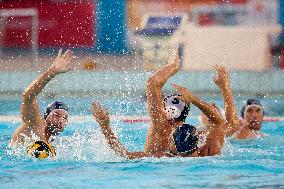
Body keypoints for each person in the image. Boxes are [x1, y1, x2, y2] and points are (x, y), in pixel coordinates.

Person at [91, 50, 227, 159]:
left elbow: (124, 154)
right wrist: (195, 99)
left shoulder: (162, 153)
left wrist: (105, 127)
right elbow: (220, 122)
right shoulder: (208, 152)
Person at [9, 49, 74, 148]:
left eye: (65, 118)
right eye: (56, 115)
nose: (61, 120)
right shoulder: (34, 124)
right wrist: (51, 72)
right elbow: (28, 95)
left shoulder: (53, 143)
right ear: (46, 116)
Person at [197, 65, 240, 144]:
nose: (211, 115)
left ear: (221, 117)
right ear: (201, 117)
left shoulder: (221, 132)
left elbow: (234, 124)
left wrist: (225, 88)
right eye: (207, 113)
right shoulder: (193, 132)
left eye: (214, 112)